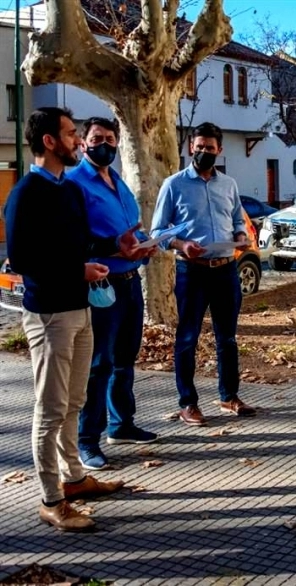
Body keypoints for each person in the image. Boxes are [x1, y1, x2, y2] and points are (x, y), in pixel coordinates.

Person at [4, 107, 146, 532]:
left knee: (74, 402)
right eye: (70, 134)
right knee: (50, 410)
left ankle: (75, 479)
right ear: (49, 141)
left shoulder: (66, 189)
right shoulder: (26, 193)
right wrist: (77, 270)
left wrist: (114, 245)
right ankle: (51, 500)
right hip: (49, 314)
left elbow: (79, 241)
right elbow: (23, 260)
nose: (79, 142)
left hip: (82, 308)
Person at [67, 117, 158, 471]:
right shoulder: (74, 183)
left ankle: (121, 425)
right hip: (100, 284)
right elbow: (75, 239)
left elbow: (127, 232)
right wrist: (114, 250)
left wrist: (144, 246)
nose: (103, 143)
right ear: (84, 143)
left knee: (124, 358)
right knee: (98, 363)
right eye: (96, 138)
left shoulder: (118, 181)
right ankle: (87, 440)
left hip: (131, 282)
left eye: (110, 138)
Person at [151, 122, 256, 426]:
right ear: (190, 148)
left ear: (219, 151)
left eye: (210, 148)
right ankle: (188, 403)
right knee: (187, 338)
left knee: (228, 339)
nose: (204, 152)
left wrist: (240, 235)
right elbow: (158, 231)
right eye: (199, 147)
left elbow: (238, 219)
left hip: (226, 271)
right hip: (192, 272)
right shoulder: (173, 185)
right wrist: (182, 244)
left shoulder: (229, 185)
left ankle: (229, 396)